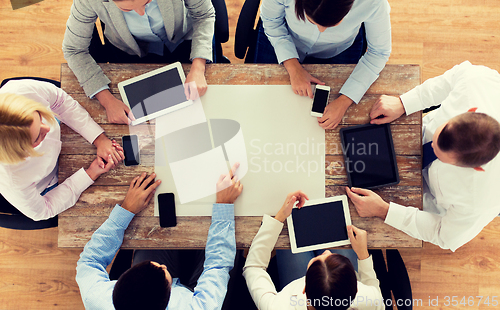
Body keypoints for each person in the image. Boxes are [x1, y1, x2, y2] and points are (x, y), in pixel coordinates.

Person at [345, 61, 500, 252]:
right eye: (438, 136)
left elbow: (443, 235)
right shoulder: (476, 82)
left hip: (426, 199)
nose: (433, 146)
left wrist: (384, 211)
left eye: (442, 156)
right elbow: (446, 82)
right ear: (469, 111)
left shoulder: (481, 201)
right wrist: (404, 103)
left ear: (477, 168)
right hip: (414, 131)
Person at [76, 164, 243, 310]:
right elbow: (217, 266)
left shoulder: (97, 299)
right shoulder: (198, 307)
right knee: (231, 251)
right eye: (163, 270)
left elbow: (89, 261)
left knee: (154, 233)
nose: (163, 266)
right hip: (192, 296)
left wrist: (126, 209)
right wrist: (224, 205)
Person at [62, 0, 215, 124]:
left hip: (182, 43)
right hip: (128, 53)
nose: (141, 13)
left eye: (147, 1)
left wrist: (198, 67)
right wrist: (107, 101)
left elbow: (204, 14)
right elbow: (73, 49)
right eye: (126, 9)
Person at [258, 0, 391, 129]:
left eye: (331, 25)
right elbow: (271, 21)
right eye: (312, 21)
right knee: (263, 105)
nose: (321, 30)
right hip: (284, 35)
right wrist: (292, 66)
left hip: (341, 48)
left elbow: (379, 52)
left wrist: (344, 101)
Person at [0, 79, 123, 221]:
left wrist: (99, 139)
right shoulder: (12, 179)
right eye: (37, 138)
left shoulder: (19, 90)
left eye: (39, 117)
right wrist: (90, 174)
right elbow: (44, 210)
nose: (47, 128)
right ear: (20, 152)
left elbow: (60, 101)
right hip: (49, 182)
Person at [243, 191, 384, 309]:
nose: (327, 251)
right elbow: (377, 297)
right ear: (357, 290)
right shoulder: (369, 300)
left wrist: (279, 217)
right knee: (337, 230)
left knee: (290, 233)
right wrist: (363, 255)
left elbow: (253, 267)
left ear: (304, 289)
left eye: (315, 261)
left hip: (294, 293)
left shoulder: (280, 306)